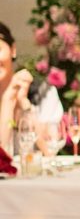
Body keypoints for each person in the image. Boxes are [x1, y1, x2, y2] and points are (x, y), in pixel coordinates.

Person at [0, 21, 63, 152]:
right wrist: (8, 102)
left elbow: (50, 150)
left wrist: (24, 104)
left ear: (13, 50)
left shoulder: (43, 92)